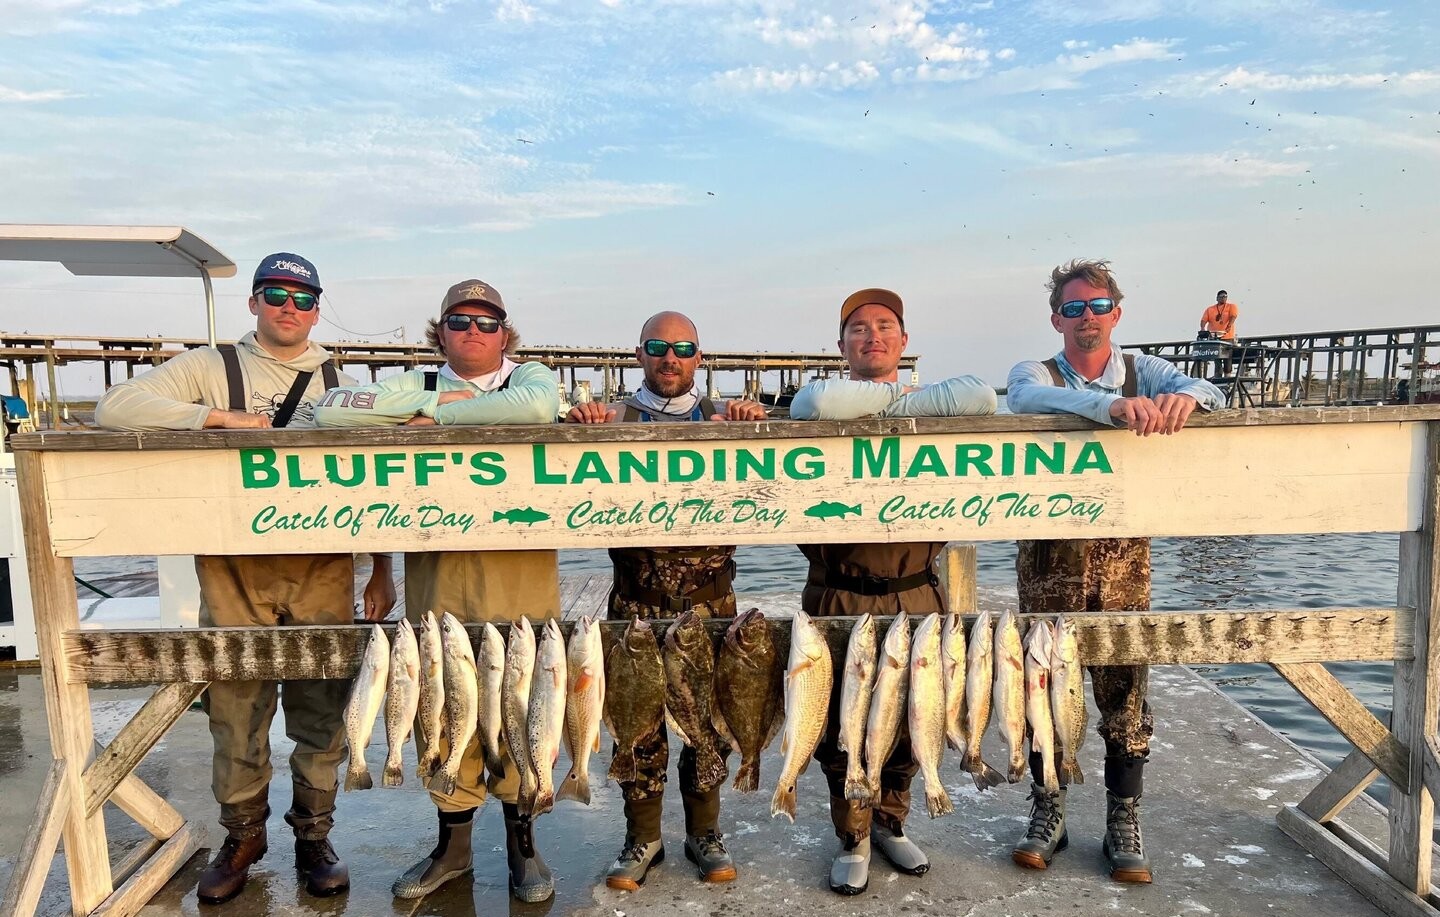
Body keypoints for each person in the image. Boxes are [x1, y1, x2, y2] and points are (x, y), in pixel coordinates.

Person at [93, 252, 397, 904]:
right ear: (254, 301)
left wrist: (381, 566)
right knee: (235, 708)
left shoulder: (342, 381)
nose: (289, 307)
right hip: (232, 565)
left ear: (317, 310)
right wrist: (216, 418)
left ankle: (314, 834)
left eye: (303, 297)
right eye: (276, 294)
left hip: (322, 564)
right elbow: (115, 405)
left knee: (322, 707)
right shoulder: (209, 366)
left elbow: (374, 479)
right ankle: (243, 835)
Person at [313, 278, 561, 903]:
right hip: (437, 571)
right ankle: (452, 848)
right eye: (459, 321)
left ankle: (523, 846)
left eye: (487, 322)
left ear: (505, 333)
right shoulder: (413, 382)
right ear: (440, 331)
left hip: (520, 574)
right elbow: (333, 409)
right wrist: (430, 399)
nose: (474, 331)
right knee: (441, 705)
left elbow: (536, 410)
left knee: (523, 701)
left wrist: (440, 415)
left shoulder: (530, 377)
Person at [1006, 258, 1224, 884]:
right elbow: (1025, 399)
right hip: (1049, 558)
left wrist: (1185, 397)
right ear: (1057, 319)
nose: (1087, 318)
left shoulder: (1144, 369)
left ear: (1116, 314)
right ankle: (1048, 810)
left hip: (1124, 558)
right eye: (1074, 308)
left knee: (1126, 691)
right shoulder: (1035, 372)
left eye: (1098, 306)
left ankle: (1122, 819)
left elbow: (1206, 388)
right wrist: (1112, 408)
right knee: (1042, 686)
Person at [789, 288, 996, 895]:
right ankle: (852, 834)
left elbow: (983, 396)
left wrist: (900, 403)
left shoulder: (931, 412)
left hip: (915, 592)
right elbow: (816, 401)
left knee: (913, 716)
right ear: (841, 345)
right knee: (843, 724)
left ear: (904, 342)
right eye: (858, 328)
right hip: (839, 593)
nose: (872, 336)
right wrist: (894, 401)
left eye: (885, 326)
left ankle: (891, 821)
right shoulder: (818, 407)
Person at [565, 310, 766, 891]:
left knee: (710, 725)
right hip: (636, 604)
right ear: (639, 355)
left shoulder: (724, 418)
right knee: (638, 727)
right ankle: (642, 837)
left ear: (699, 358)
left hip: (711, 605)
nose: (669, 358)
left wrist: (756, 424)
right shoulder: (613, 420)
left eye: (682, 348)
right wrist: (576, 424)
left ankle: (705, 832)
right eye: (657, 347)